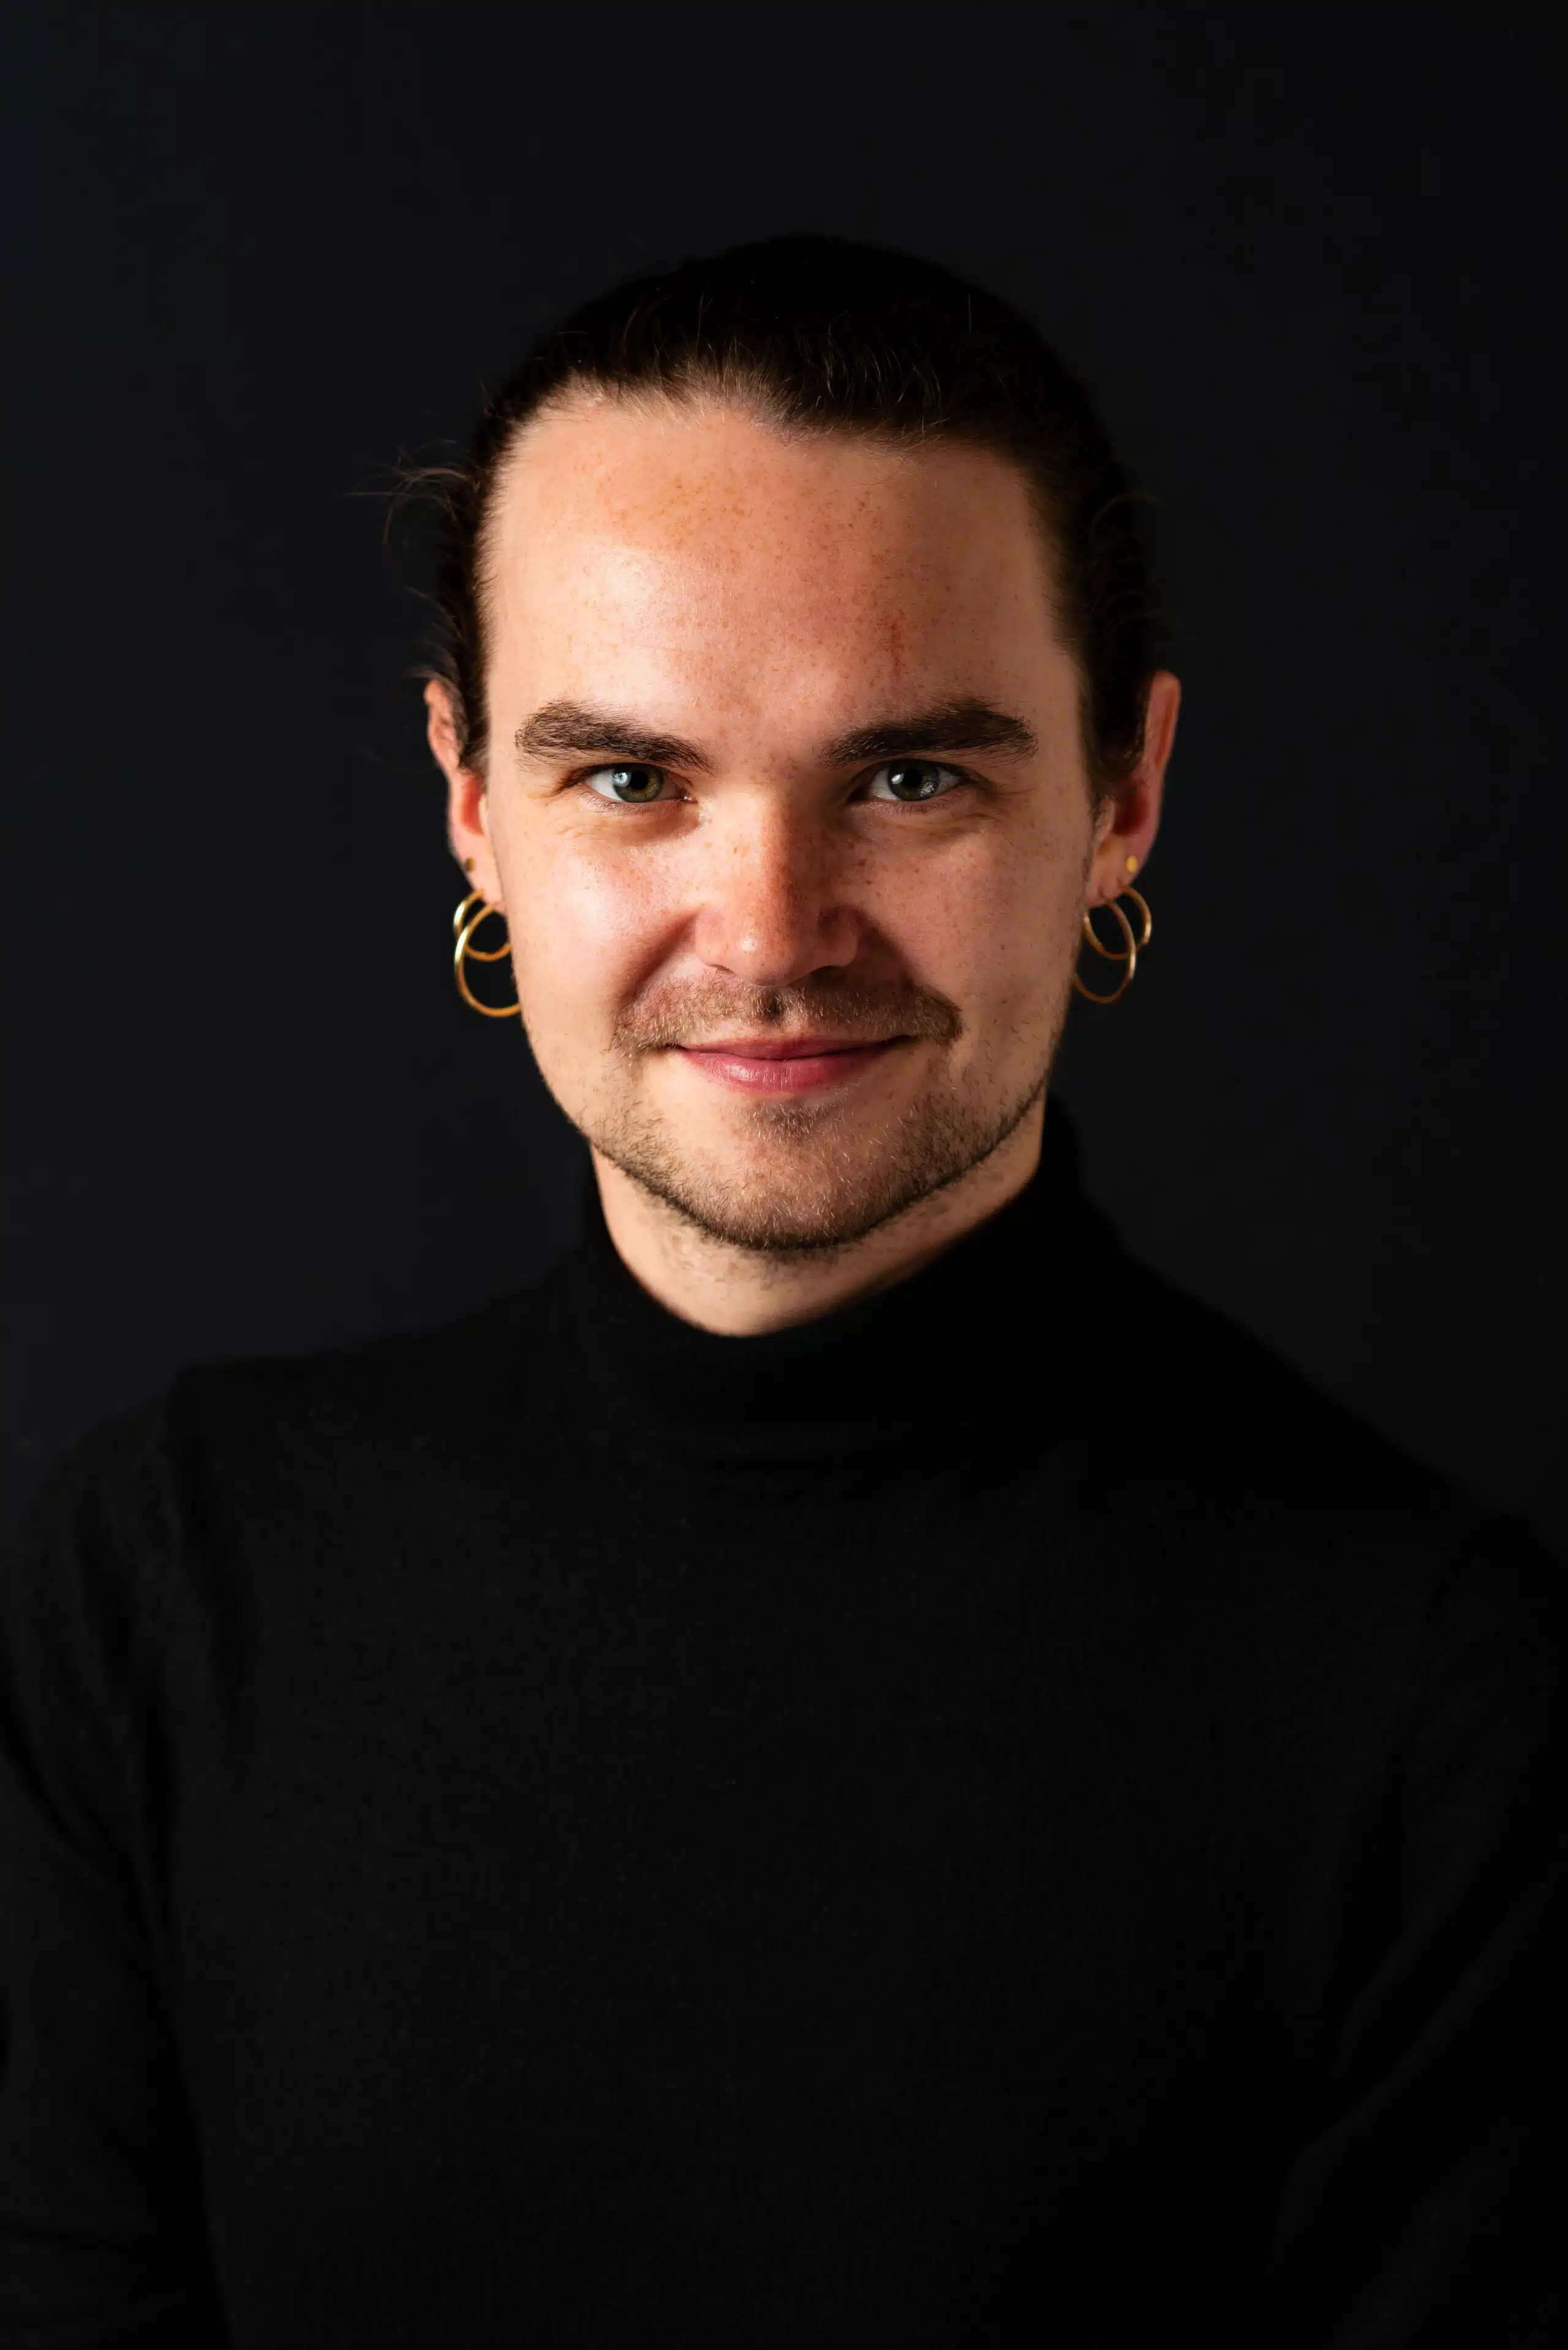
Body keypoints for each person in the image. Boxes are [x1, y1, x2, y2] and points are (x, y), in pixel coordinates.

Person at [1, 233, 1562, 2348]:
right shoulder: (159, 1596)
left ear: (1125, 795)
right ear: (474, 802)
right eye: (631, 778)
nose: (770, 931)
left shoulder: (1447, 1714)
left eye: (912, 778)